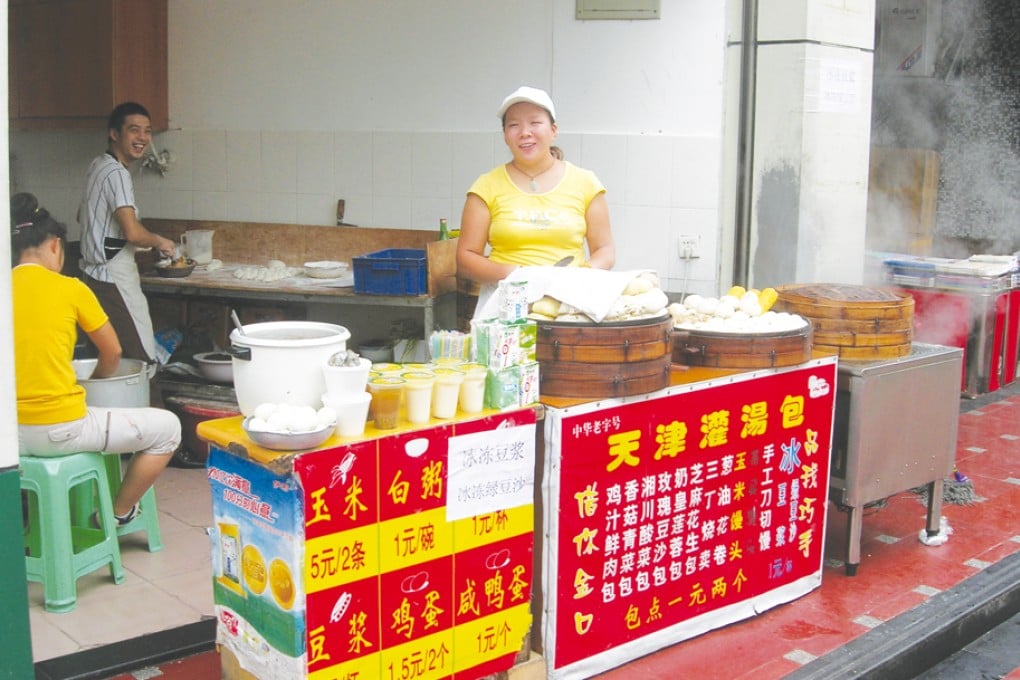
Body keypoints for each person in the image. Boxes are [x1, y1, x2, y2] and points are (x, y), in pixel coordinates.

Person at [13, 193, 179, 527]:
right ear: (56, 246)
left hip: (8, 436)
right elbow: (113, 352)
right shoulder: (71, 289)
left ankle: (25, 523)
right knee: (168, 429)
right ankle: (117, 513)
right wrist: (97, 382)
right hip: (61, 430)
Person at [456, 85, 616, 295]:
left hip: (568, 299)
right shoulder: (486, 187)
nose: (525, 133)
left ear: (553, 131)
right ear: (505, 135)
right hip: (505, 304)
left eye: (535, 122)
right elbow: (465, 258)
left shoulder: (586, 183)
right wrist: (517, 275)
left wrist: (579, 276)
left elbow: (605, 250)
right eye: (514, 125)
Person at [78, 102, 177, 362]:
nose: (142, 137)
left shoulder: (98, 164)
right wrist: (160, 241)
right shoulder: (116, 174)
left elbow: (84, 217)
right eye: (134, 130)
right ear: (114, 133)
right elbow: (132, 232)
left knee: (108, 357)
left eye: (147, 131)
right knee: (141, 355)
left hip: (93, 274)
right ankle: (149, 403)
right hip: (111, 276)